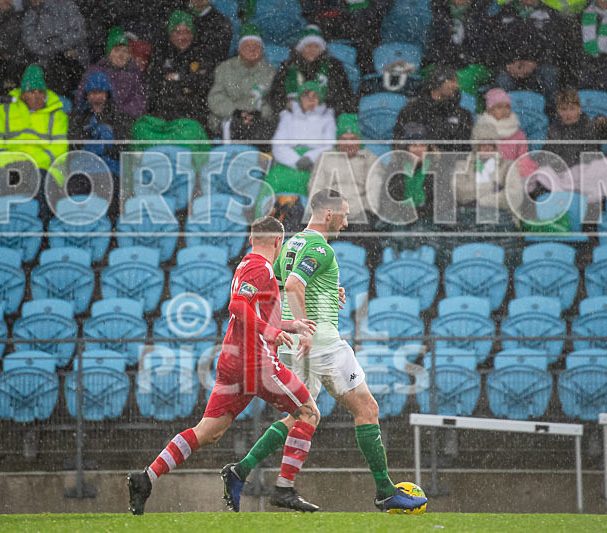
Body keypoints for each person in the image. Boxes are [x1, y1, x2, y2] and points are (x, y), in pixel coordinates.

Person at [222, 189, 430, 513]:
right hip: (321, 343)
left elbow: (279, 286)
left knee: (300, 415)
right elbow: (294, 285)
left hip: (295, 345)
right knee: (367, 409)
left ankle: (244, 471)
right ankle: (385, 491)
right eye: (344, 215)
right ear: (329, 214)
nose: (346, 223)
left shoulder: (290, 244)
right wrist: (306, 326)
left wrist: (328, 293)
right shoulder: (320, 247)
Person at [127, 216, 322, 514]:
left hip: (233, 359)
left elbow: (252, 311)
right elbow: (237, 306)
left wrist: (287, 325)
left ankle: (146, 477)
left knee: (209, 431)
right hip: (256, 362)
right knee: (308, 413)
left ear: (251, 239)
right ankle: (284, 488)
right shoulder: (261, 268)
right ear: (278, 242)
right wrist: (271, 333)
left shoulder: (246, 264)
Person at [0, 64, 68, 218]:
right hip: (9, 166)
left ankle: (42, 229)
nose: (37, 96)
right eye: (32, 92)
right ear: (22, 95)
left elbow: (60, 149)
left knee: (43, 186)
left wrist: (31, 164)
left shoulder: (58, 115)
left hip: (43, 168)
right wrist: (12, 162)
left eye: (40, 92)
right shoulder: (4, 110)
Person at [309, 113, 385, 264]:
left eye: (353, 139)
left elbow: (374, 188)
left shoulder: (369, 159)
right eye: (344, 139)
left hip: (359, 215)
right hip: (330, 214)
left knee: (372, 243)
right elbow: (316, 187)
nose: (349, 144)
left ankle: (368, 275)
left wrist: (369, 212)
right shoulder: (326, 158)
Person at [256, 81, 335, 221]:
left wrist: (310, 158)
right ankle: (261, 222)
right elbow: (278, 144)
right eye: (306, 96)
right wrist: (295, 161)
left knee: (311, 189)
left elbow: (329, 145)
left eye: (315, 96)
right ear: (299, 99)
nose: (311, 99)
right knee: (269, 186)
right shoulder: (287, 117)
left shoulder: (327, 118)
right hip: (287, 163)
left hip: (313, 165)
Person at [487, 0, 577, 105]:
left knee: (549, 75)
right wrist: (508, 65)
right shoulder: (503, 12)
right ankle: (504, 114)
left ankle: (552, 112)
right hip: (509, 68)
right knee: (503, 81)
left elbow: (556, 46)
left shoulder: (550, 13)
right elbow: (492, 46)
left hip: (540, 66)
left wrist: (535, 63)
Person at [207, 23, 276, 141]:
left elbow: (274, 101)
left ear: (262, 50)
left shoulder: (271, 72)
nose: (252, 49)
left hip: (259, 120)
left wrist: (258, 114)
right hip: (228, 117)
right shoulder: (224, 68)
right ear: (239, 49)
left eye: (256, 46)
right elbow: (215, 97)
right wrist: (235, 113)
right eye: (247, 45)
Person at [267, 24, 355, 115]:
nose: (312, 50)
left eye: (316, 46)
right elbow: (275, 95)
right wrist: (286, 105)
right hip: (292, 116)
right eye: (308, 46)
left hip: (326, 115)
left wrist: (326, 108)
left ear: (322, 49)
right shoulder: (287, 67)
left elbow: (343, 95)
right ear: (300, 48)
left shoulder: (333, 66)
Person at [146, 10, 213, 127]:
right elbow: (155, 82)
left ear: (193, 34)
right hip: (163, 112)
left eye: (187, 32)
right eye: (178, 32)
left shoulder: (201, 53)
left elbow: (203, 84)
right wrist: (185, 83)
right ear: (170, 33)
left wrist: (177, 77)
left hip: (194, 113)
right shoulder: (161, 52)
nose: (182, 37)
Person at [394, 65, 472, 150]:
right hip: (419, 158)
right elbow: (400, 143)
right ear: (440, 82)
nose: (456, 85)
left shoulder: (463, 115)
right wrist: (429, 150)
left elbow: (465, 148)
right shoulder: (412, 111)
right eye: (452, 81)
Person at [69, 71, 132, 176]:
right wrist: (89, 136)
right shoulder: (79, 116)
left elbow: (124, 144)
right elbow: (72, 143)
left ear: (107, 94)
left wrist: (109, 144)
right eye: (93, 93)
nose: (97, 97)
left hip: (112, 170)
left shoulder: (117, 116)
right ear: (87, 95)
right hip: (84, 168)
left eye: (100, 92)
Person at [77, 26, 147, 119]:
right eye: (116, 50)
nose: (121, 55)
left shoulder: (135, 73)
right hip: (97, 118)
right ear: (108, 53)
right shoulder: (94, 71)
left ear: (129, 55)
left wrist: (119, 113)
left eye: (125, 51)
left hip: (126, 120)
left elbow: (140, 103)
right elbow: (81, 97)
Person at [474, 88, 539, 178]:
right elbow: (479, 157)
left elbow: (523, 158)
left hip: (514, 173)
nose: (504, 110)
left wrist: (515, 170)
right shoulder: (482, 131)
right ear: (490, 110)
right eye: (499, 107)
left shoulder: (518, 134)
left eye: (507, 106)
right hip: (489, 173)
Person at [542, 88, 596, 169]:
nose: (568, 114)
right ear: (558, 110)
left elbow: (590, 156)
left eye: (572, 109)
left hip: (583, 171)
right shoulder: (553, 129)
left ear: (579, 109)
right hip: (559, 172)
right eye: (563, 109)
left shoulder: (588, 128)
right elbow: (548, 155)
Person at [183, 0, 233, 72]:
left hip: (209, 71)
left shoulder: (220, 22)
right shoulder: (181, 16)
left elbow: (219, 53)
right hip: (182, 68)